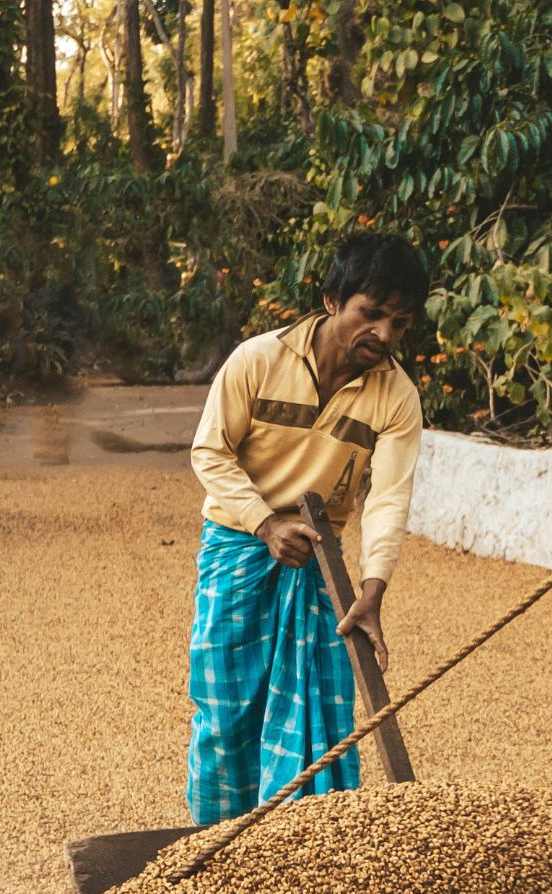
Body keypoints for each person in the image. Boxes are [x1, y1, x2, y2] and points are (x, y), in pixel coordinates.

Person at [184, 232, 427, 824]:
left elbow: (388, 498)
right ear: (331, 301)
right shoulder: (256, 360)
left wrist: (372, 593)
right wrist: (266, 525)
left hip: (324, 564)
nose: (385, 335)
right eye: (371, 314)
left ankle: (304, 855)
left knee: (317, 719)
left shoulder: (397, 397)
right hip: (237, 548)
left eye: (400, 322)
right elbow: (210, 453)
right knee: (225, 713)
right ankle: (216, 845)